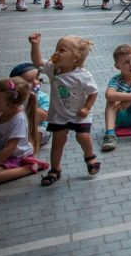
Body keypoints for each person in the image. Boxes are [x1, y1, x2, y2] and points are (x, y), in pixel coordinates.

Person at [28, 32, 99, 185]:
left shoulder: (83, 75)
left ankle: (90, 157)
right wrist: (35, 45)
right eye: (56, 49)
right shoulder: (53, 68)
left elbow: (94, 92)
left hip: (80, 113)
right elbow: (38, 62)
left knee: (83, 137)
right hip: (59, 113)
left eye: (62, 50)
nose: (56, 53)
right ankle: (55, 169)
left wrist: (87, 108)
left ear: (75, 58)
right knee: (58, 140)